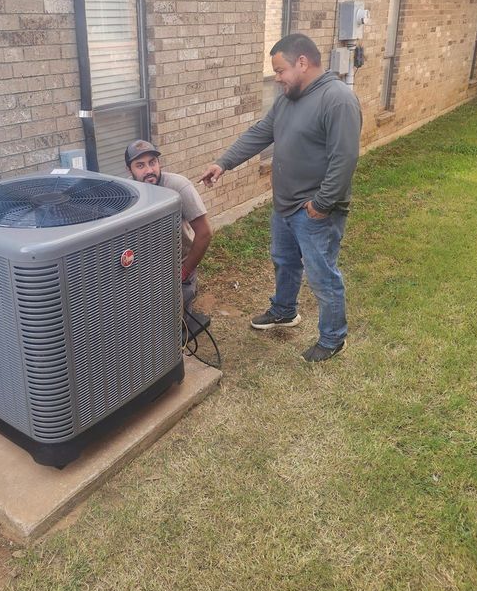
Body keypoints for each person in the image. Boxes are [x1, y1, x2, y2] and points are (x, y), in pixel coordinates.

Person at [200, 33, 362, 362]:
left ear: (302, 62)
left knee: (322, 275)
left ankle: (333, 338)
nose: (277, 79)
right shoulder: (289, 97)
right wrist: (223, 162)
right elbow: (261, 132)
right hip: (285, 205)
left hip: (315, 211)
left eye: (280, 70)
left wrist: (321, 204)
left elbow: (344, 159)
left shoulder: (338, 98)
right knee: (284, 262)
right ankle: (285, 311)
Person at [125, 140, 212, 336]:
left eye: (153, 162)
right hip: (146, 269)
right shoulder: (129, 191)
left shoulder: (178, 186)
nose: (149, 170)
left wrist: (185, 270)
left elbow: (205, 233)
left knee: (173, 326)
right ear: (129, 169)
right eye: (140, 165)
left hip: (178, 267)